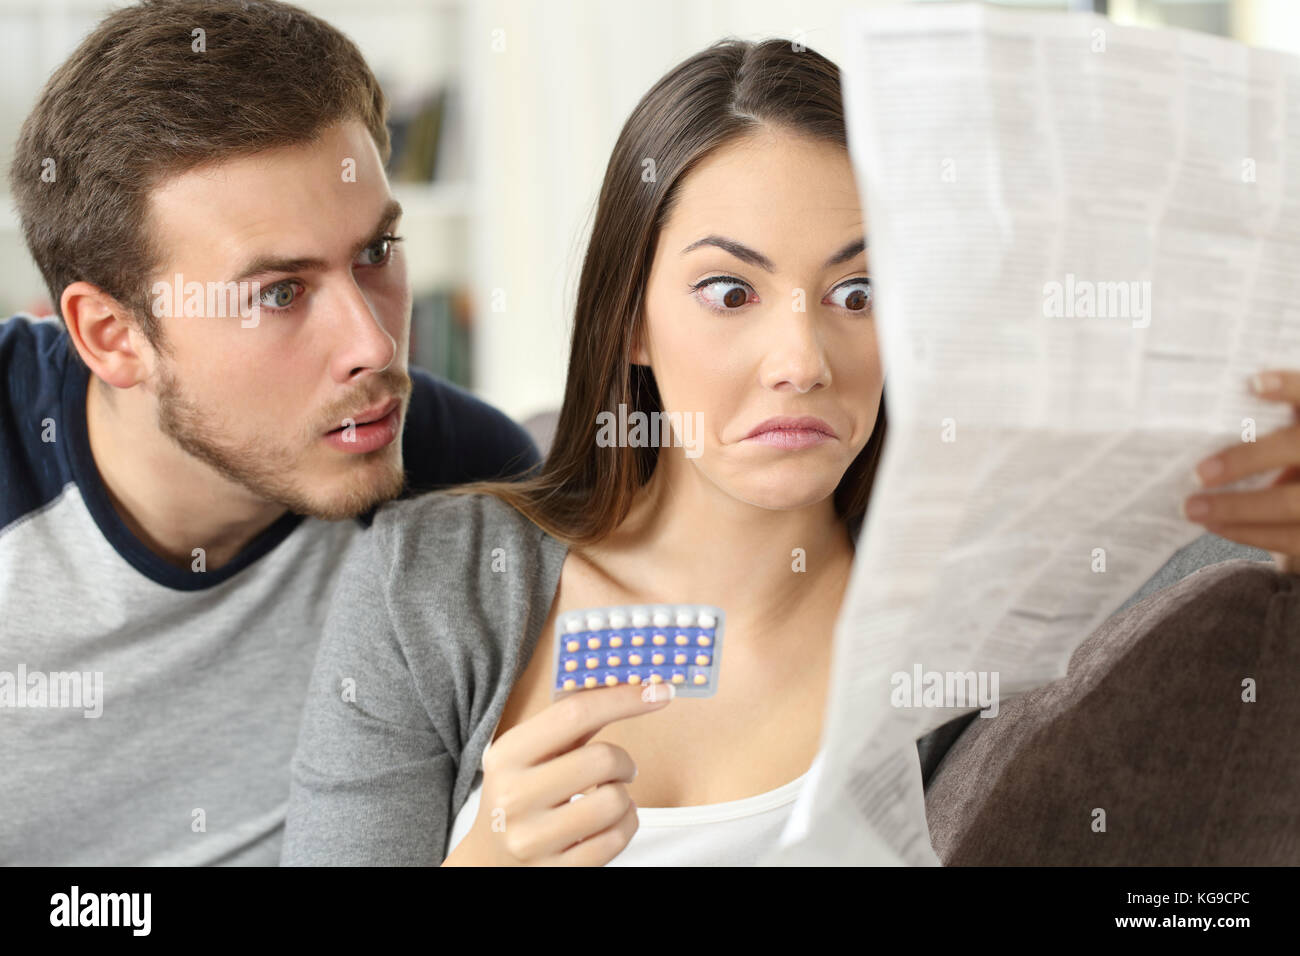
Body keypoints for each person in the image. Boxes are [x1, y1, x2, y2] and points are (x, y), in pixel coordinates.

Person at [280, 35, 1299, 867]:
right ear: (631, 320)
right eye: (730, 292)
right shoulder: (432, 583)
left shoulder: (1004, 580)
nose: (802, 360)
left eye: (858, 294)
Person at [0, 0, 538, 865]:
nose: (374, 346)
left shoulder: (467, 480)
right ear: (112, 335)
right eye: (279, 294)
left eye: (375, 253)